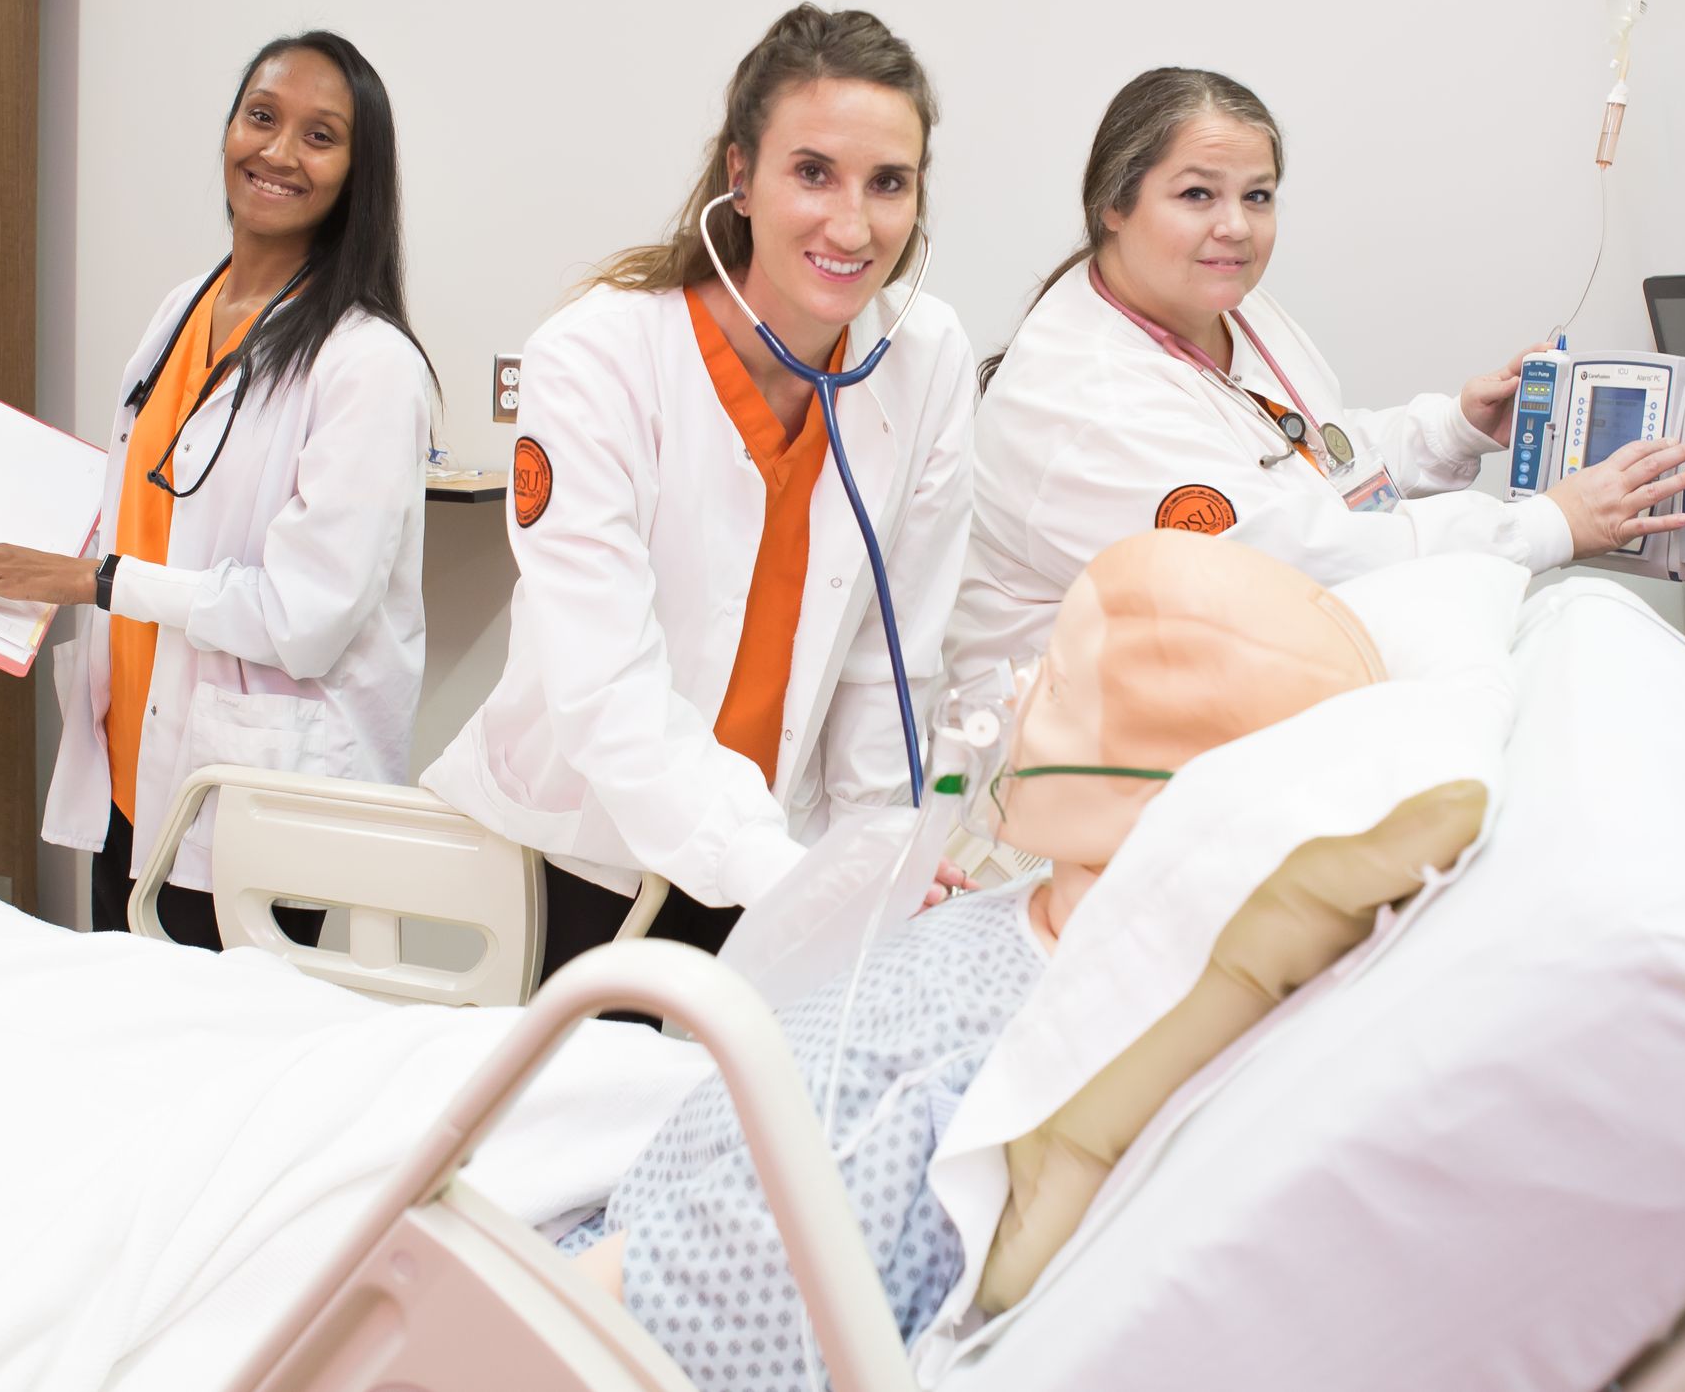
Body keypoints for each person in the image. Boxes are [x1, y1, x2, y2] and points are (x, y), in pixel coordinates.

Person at [560, 529, 1392, 1392]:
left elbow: (630, 1337)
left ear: (1169, 802)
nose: (1019, 688)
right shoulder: (1043, 915)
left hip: (565, 1283)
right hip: (627, 1168)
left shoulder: (921, 1088)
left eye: (1060, 686)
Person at [421, 5, 973, 972]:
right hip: (581, 860)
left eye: (889, 183)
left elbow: (893, 664)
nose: (854, 223)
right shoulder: (597, 359)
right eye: (813, 172)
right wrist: (796, 876)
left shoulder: (925, 362)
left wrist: (871, 864)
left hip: (780, 851)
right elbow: (606, 695)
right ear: (740, 177)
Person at [948, 66, 1685, 680]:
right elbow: (1287, 561)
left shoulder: (1230, 308)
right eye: (1196, 194)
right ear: (1112, 202)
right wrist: (1548, 526)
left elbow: (1310, 456)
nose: (1236, 227)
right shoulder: (1081, 402)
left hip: (1228, 683)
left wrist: (1454, 427)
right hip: (1076, 772)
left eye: (1258, 196)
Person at [0, 30, 436, 949]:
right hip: (134, 767)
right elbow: (146, 499)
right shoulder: (183, 309)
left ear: (359, 172)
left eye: (320, 136)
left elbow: (304, 617)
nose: (278, 152)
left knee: (233, 1069)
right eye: (262, 117)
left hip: (260, 790)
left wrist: (91, 579)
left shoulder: (369, 364)